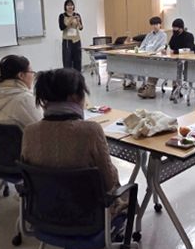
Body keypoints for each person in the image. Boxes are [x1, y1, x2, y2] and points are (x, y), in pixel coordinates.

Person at [21, 68, 126, 216]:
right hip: (87, 217)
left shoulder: (29, 132)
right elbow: (109, 183)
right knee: (127, 195)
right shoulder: (91, 130)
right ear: (74, 97)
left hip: (44, 214)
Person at [0, 55, 43, 188]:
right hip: (25, 162)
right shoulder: (23, 99)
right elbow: (44, 130)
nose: (33, 76)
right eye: (31, 72)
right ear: (21, 75)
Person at [131, 16, 168, 98]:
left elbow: (161, 47)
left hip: (155, 57)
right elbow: (143, 45)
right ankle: (139, 83)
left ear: (160, 24)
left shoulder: (163, 35)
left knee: (152, 67)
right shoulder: (149, 35)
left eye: (156, 24)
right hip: (145, 55)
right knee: (134, 62)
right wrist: (140, 52)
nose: (155, 26)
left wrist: (152, 53)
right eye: (153, 24)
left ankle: (149, 87)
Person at [59, 0, 83, 72]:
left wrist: (78, 21)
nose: (70, 7)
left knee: (77, 60)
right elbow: (62, 27)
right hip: (67, 41)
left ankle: (78, 76)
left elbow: (81, 28)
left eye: (71, 5)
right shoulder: (62, 16)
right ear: (65, 7)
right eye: (68, 5)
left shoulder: (77, 15)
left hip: (76, 40)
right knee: (67, 61)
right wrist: (71, 19)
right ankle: (68, 77)